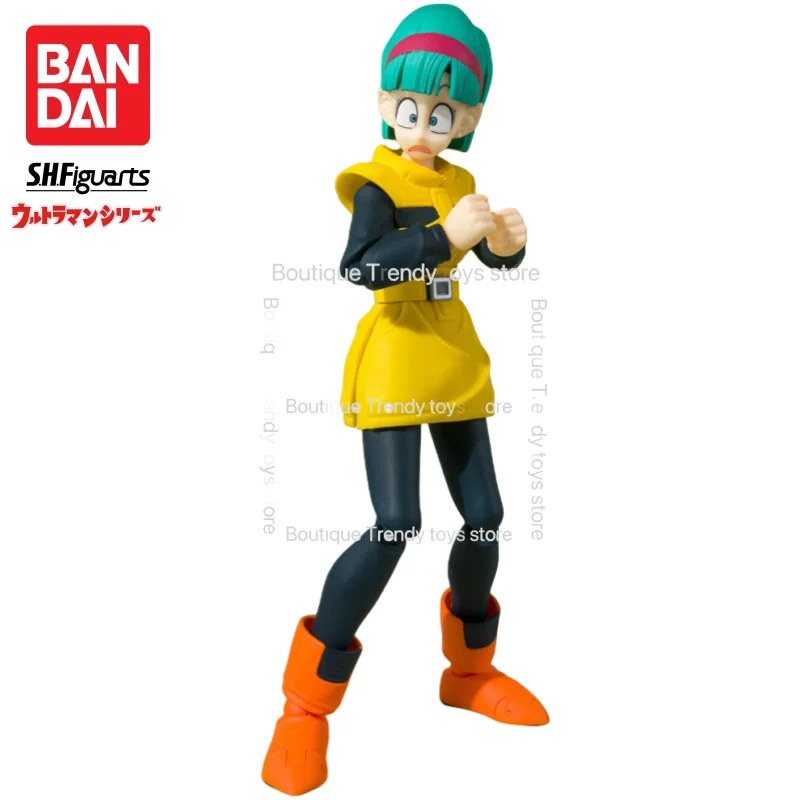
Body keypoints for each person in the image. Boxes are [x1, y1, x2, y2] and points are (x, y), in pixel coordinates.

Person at [263, 5, 548, 795]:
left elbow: (481, 256)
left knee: (484, 514)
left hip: (454, 361)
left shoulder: (461, 183)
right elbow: (361, 265)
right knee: (395, 523)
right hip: (394, 360)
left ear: (471, 118)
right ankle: (304, 706)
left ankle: (469, 672)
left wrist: (506, 247)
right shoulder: (375, 182)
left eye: (443, 112)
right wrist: (444, 238)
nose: (424, 125)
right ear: (386, 103)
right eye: (411, 106)